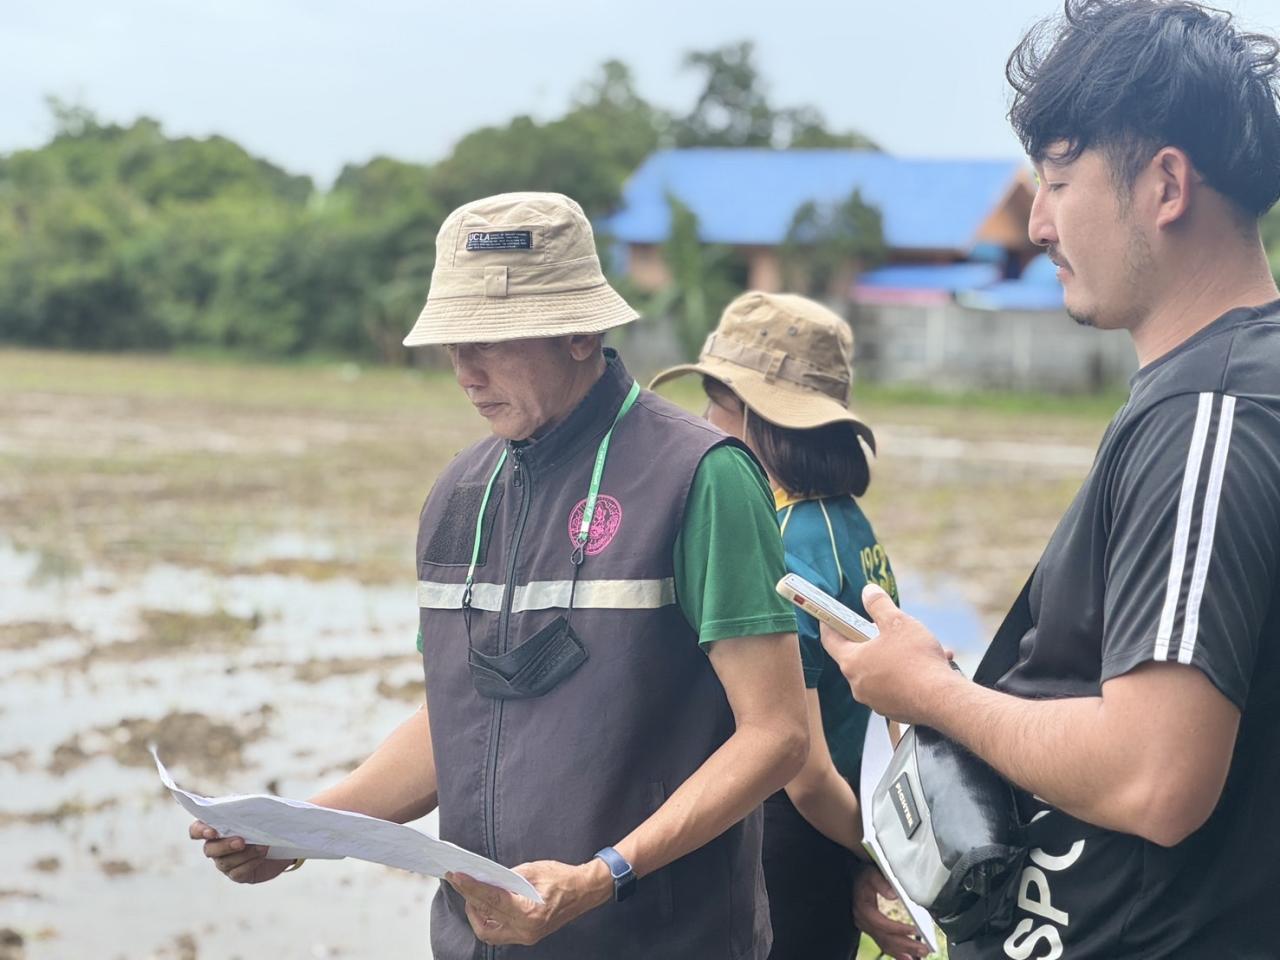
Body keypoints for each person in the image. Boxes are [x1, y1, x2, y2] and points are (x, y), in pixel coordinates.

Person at [188, 192, 810, 959]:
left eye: (490, 340)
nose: (464, 372)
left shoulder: (701, 478)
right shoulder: (459, 493)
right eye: (452, 344)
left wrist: (604, 875)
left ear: (581, 329)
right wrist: (299, 830)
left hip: (655, 939)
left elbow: (777, 734)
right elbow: (460, 720)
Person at [830, 2, 1280, 957]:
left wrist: (928, 694)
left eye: (1060, 180)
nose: (1035, 222)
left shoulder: (1212, 413)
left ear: (1166, 184)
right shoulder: (1210, 393)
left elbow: (1157, 777)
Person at [651, 292, 898, 960]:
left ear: (767, 421)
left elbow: (806, 772)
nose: (704, 422)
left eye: (718, 403)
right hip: (843, 828)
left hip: (789, 847)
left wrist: (878, 858)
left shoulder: (784, 547)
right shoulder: (846, 521)